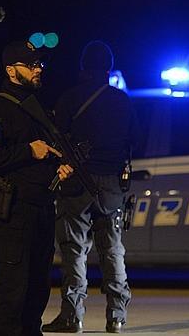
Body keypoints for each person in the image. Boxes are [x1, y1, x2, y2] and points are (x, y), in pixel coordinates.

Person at [0, 39, 73, 336]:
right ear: (10, 70)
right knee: (12, 287)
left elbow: (46, 152)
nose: (37, 70)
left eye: (39, 64)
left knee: (38, 285)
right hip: (16, 210)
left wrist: (60, 168)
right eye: (30, 65)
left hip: (42, 206)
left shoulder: (36, 107)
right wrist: (29, 151)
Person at [42, 40, 136, 334]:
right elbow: (135, 140)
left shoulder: (69, 99)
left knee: (73, 251)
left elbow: (57, 139)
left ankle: (72, 316)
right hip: (111, 184)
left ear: (83, 67)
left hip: (76, 181)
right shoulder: (122, 101)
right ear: (108, 67)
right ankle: (117, 316)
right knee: (112, 250)